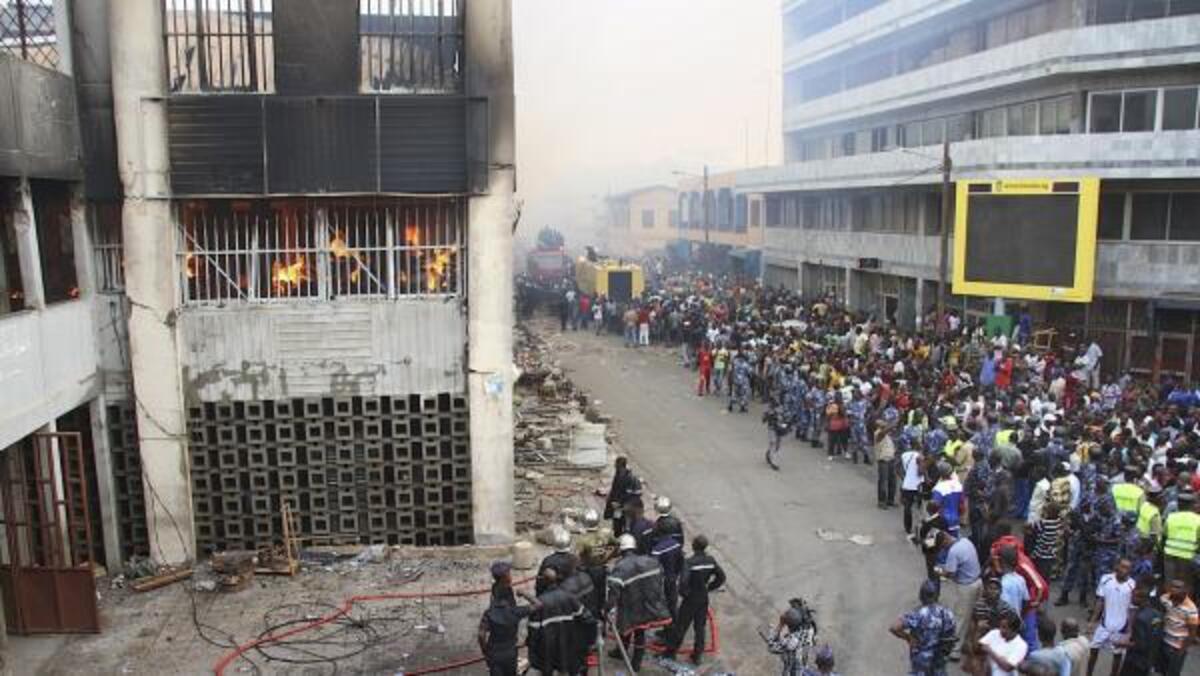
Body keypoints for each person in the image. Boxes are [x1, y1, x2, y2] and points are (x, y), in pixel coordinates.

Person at [607, 533, 671, 672]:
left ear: (621, 549)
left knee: (629, 629)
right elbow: (660, 579)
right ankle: (634, 661)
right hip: (647, 604)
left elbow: (613, 592)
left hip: (630, 606)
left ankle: (624, 654)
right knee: (639, 632)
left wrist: (606, 609)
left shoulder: (620, 567)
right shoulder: (649, 561)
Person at [663, 535, 726, 666]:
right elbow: (721, 577)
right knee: (700, 627)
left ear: (694, 546)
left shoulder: (690, 562)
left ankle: (671, 651)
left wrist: (684, 594)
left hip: (691, 597)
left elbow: (683, 582)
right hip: (703, 597)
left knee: (681, 626)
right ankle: (697, 655)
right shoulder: (711, 560)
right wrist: (710, 587)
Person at [478, 560, 539, 676]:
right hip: (510, 651)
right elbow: (538, 605)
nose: (511, 575)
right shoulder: (515, 611)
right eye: (509, 573)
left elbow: (481, 635)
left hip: (494, 652)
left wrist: (486, 652)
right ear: (504, 577)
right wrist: (524, 593)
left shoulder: (489, 613)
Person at [528, 567, 591, 676]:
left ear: (544, 581)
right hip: (567, 644)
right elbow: (585, 616)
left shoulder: (539, 602)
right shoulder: (569, 596)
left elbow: (533, 632)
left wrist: (533, 653)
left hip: (547, 648)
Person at [890, 579, 957, 676]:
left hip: (921, 660)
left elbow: (894, 627)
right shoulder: (948, 613)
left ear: (921, 595)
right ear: (937, 595)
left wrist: (908, 638)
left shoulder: (918, 614)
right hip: (940, 657)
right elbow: (951, 634)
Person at [935, 530, 982, 661]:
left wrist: (940, 572)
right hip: (978, 582)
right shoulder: (966, 541)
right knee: (974, 616)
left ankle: (954, 651)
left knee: (960, 618)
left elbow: (950, 574)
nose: (943, 549)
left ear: (945, 540)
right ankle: (971, 643)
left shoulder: (953, 551)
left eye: (942, 546)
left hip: (966, 587)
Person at [1087, 558, 1136, 676]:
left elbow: (1132, 609)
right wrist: (1092, 622)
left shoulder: (1132, 585)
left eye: (1127, 568)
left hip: (1121, 627)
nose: (1124, 570)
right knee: (1093, 650)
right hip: (1104, 625)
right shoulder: (1106, 579)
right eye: (1122, 566)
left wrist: (1130, 631)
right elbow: (1100, 601)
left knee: (1117, 656)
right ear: (1116, 566)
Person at [1115, 584, 1162, 676]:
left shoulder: (1140, 618)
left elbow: (1140, 645)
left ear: (1142, 599)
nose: (1131, 599)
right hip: (1149, 660)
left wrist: (1120, 644)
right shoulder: (1157, 614)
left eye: (1133, 597)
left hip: (1136, 662)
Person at [769, 601, 819, 676]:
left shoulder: (792, 641)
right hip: (803, 669)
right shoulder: (810, 629)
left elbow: (772, 647)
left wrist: (780, 625)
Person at [1159, 578, 1197, 676]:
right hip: (1164, 641)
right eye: (1172, 586)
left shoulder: (1191, 609)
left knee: (1173, 673)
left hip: (1177, 647)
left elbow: (1192, 633)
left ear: (1185, 590)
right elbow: (1161, 614)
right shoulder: (1164, 598)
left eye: (1178, 587)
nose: (1174, 589)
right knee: (1162, 670)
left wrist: (1182, 650)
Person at [1163, 491, 1199, 594]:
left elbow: (1164, 536)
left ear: (1179, 504)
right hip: (1187, 557)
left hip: (1169, 555)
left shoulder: (1171, 517)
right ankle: (1185, 607)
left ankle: (1168, 606)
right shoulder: (1198, 520)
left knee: (1170, 583)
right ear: (1192, 505)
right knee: (1185, 585)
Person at [979, 609, 1030, 676]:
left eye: (1004, 627)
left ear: (1014, 629)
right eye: (1000, 626)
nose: (1001, 630)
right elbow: (978, 648)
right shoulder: (994, 633)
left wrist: (990, 651)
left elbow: (1007, 667)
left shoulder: (1021, 645)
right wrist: (1001, 659)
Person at [604, 456, 640, 535]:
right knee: (617, 523)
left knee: (626, 524)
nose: (615, 466)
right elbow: (615, 489)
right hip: (617, 505)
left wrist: (620, 503)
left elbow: (631, 495)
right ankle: (617, 534)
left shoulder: (630, 478)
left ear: (620, 466)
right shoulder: (618, 474)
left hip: (625, 506)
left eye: (616, 465)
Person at [901, 440, 925, 538]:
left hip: (907, 484)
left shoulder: (904, 455)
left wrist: (904, 477)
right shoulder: (919, 456)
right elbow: (920, 472)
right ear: (917, 445)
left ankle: (908, 528)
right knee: (921, 508)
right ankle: (920, 530)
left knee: (907, 507)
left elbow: (899, 467)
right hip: (918, 485)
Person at [876, 420, 898, 509]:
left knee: (892, 481)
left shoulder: (887, 434)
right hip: (883, 461)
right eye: (881, 422)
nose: (884, 423)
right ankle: (881, 501)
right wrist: (895, 422)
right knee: (883, 481)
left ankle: (890, 500)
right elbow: (885, 431)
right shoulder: (878, 434)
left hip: (891, 460)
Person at [765, 401, 791, 471]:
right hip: (772, 428)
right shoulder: (769, 407)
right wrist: (769, 415)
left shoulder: (785, 406)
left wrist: (786, 426)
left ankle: (769, 454)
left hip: (780, 429)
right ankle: (774, 462)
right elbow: (764, 419)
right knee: (773, 443)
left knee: (777, 445)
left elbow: (788, 419)